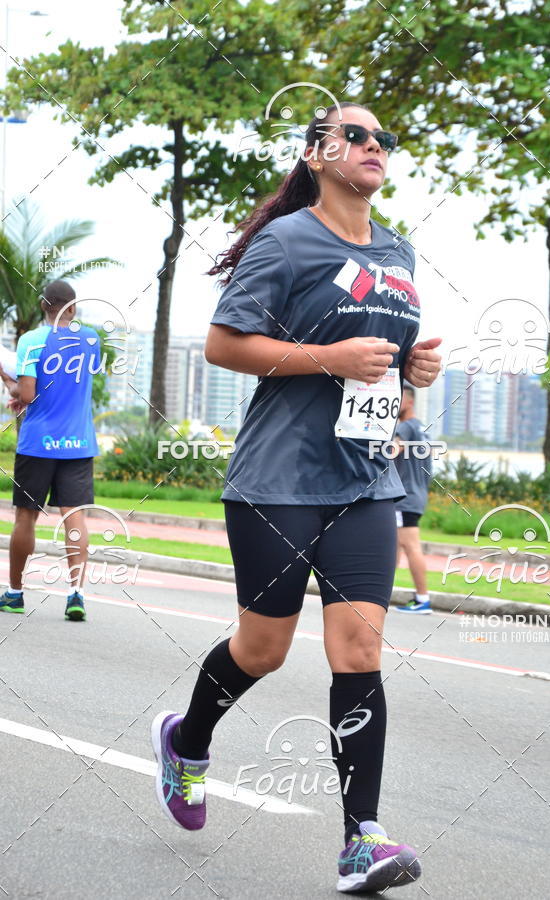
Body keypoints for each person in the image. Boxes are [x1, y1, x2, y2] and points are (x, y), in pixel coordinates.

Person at [151, 102, 441, 894]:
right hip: (278, 479)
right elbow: (224, 344)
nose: (375, 144)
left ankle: (361, 840)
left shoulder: (399, 251)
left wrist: (414, 370)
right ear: (317, 155)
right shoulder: (285, 241)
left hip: (366, 482)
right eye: (356, 135)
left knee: (360, 652)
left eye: (385, 137)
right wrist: (329, 357)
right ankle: (187, 741)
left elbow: (388, 370)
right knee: (263, 650)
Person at [0, 280, 100, 621]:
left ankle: (15, 594)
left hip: (38, 443)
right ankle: (76, 595)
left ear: (44, 306)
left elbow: (28, 394)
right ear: (72, 308)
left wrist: (8, 381)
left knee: (25, 517)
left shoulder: (31, 341)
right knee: (74, 516)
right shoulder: (91, 340)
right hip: (77, 443)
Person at [393, 385, 433, 614]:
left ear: (409, 402)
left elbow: (390, 452)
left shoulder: (406, 427)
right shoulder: (421, 428)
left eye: (397, 399)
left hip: (405, 497)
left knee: (410, 546)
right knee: (393, 547)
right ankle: (378, 596)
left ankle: (422, 599)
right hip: (417, 495)